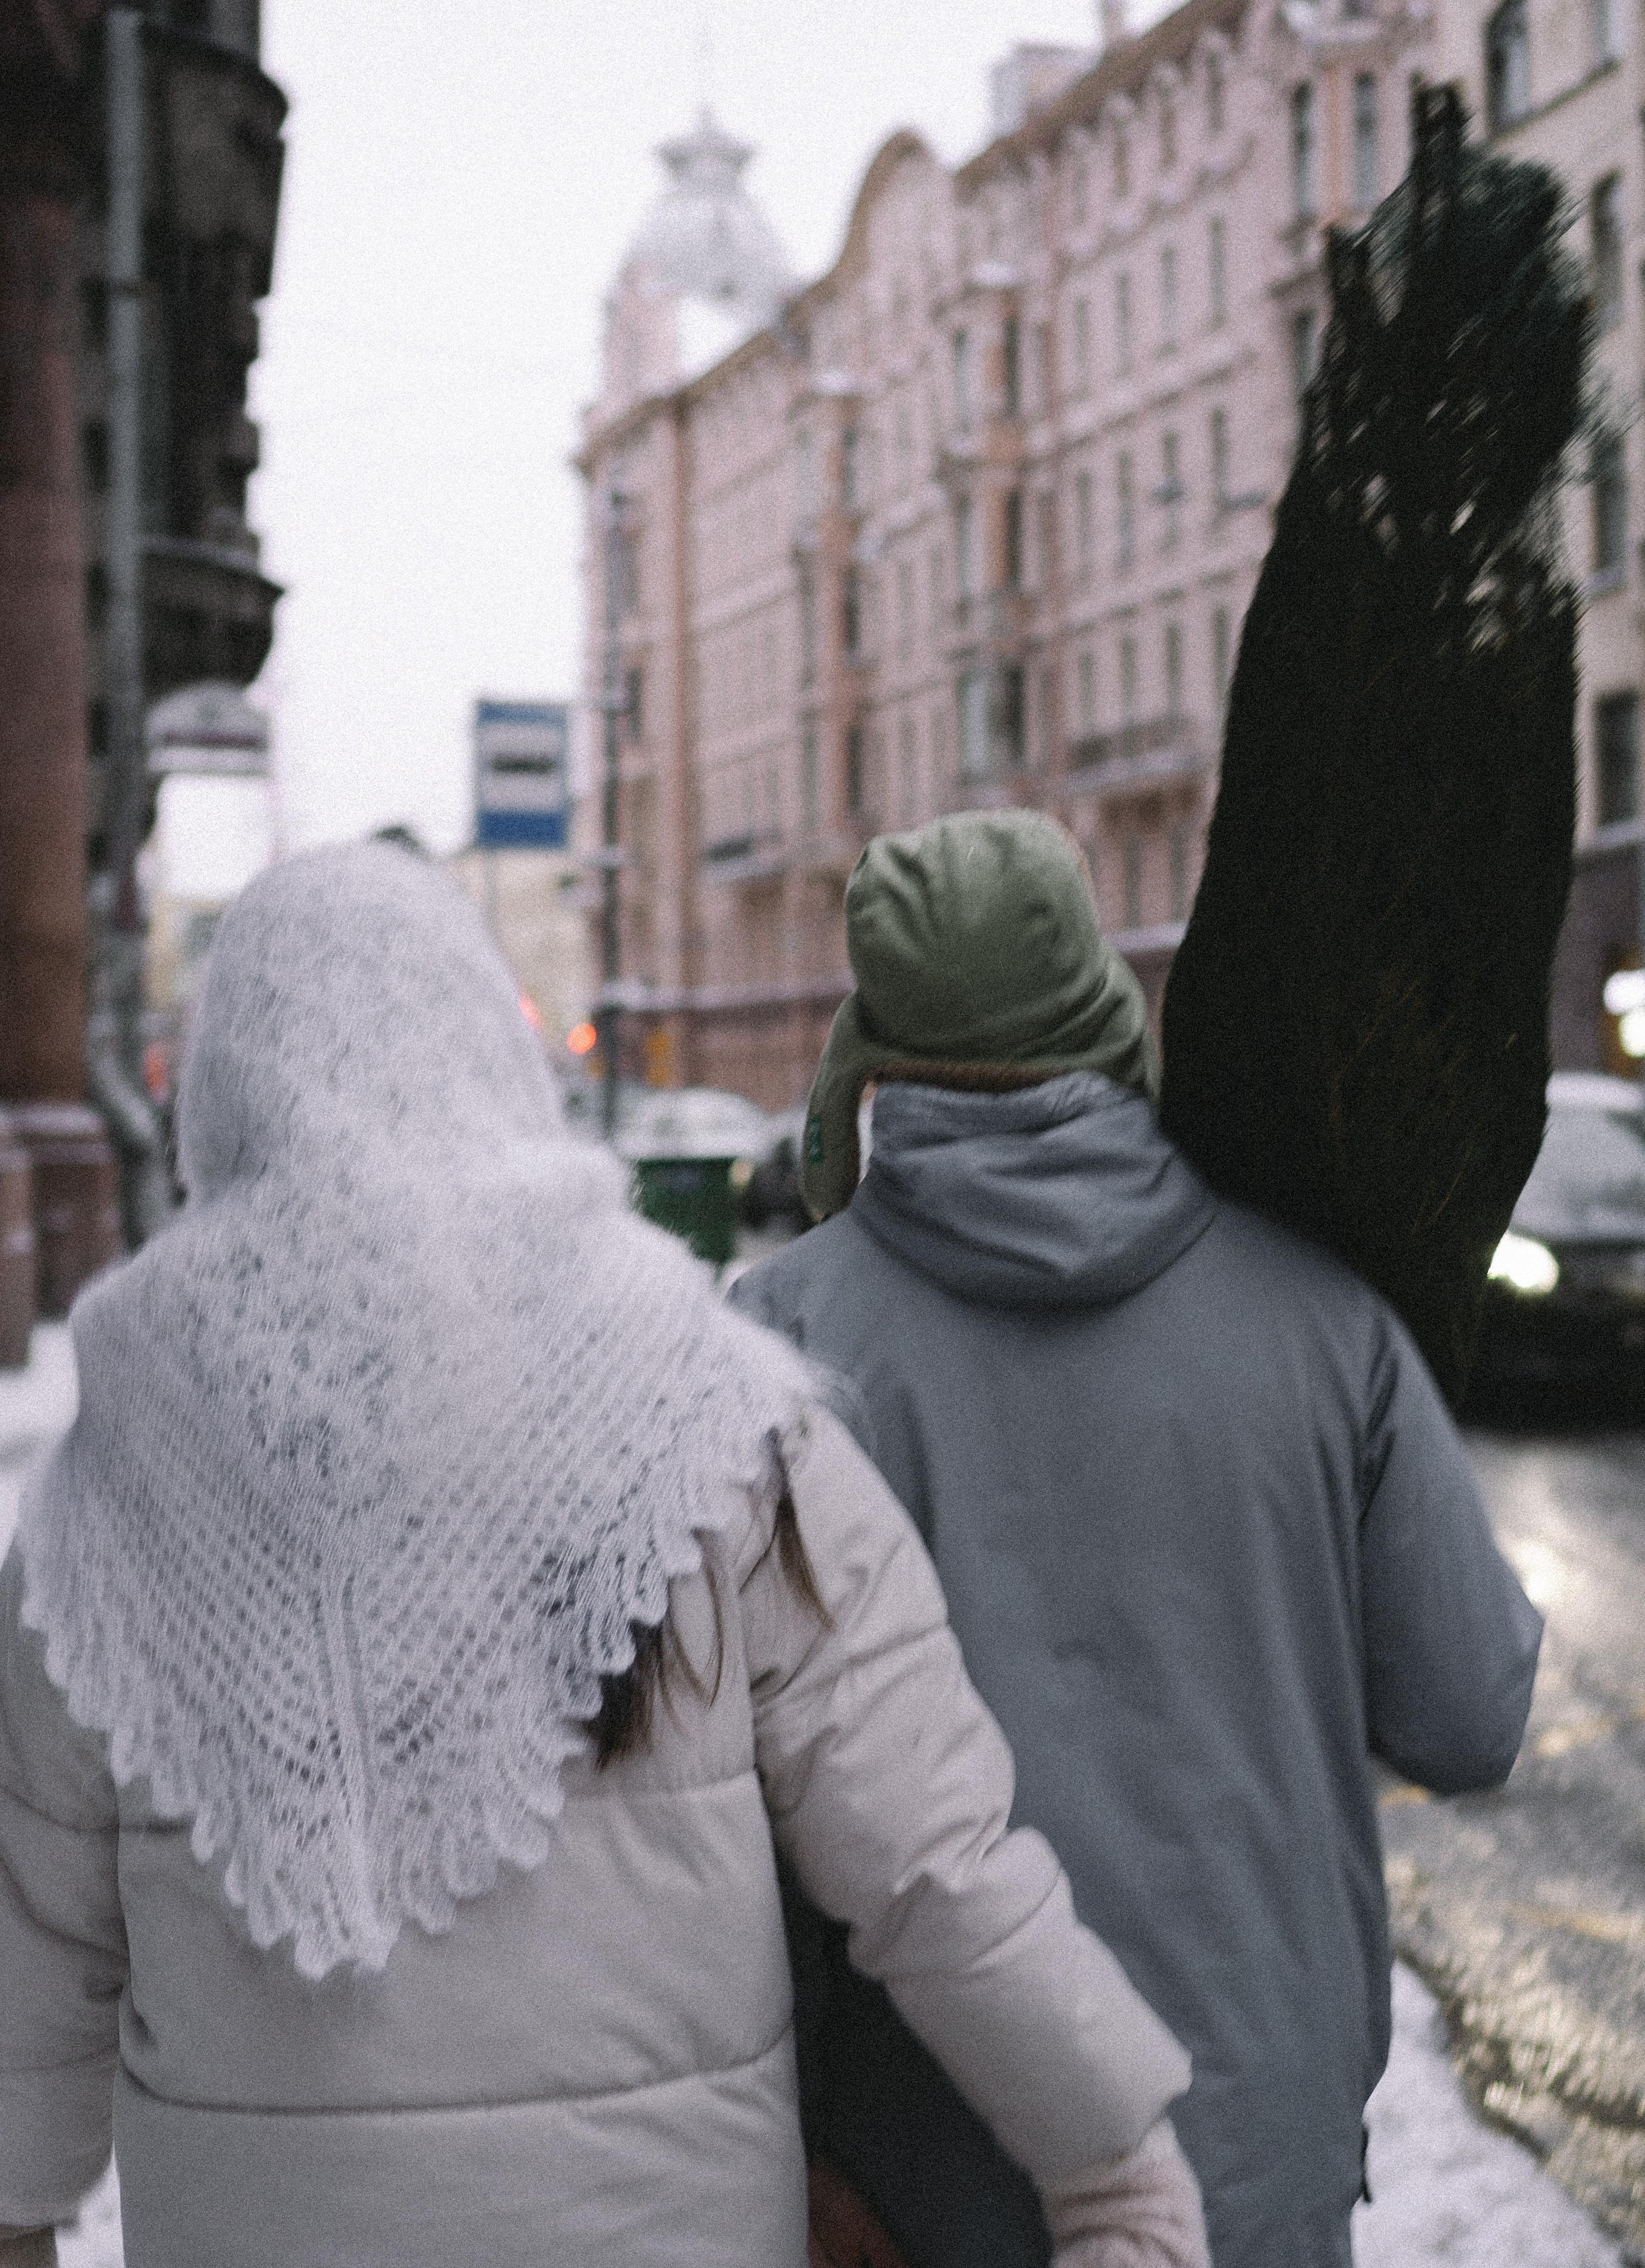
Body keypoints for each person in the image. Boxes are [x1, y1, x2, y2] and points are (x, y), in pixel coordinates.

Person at [0, 841, 1207, 2268]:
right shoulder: (706, 1414)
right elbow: (931, 1859)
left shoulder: (113, 1484)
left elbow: (36, 1941)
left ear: (223, 1102)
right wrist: (1113, 2167)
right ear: (490, 1062)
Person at [733, 809, 1544, 2268]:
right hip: (1255, 2161)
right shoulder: (1323, 1322)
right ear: (1106, 1009)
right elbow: (1471, 1715)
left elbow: (700, 1827)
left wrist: (795, 2163)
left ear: (873, 1052)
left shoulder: (773, 1353)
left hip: (910, 2183)